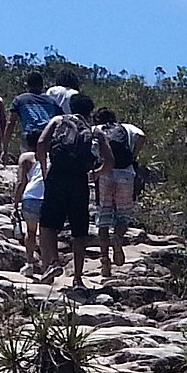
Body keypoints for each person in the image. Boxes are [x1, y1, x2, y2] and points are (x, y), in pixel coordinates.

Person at [35, 106, 99, 288]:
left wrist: (44, 168)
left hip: (57, 176)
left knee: (48, 225)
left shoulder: (57, 120)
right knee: (79, 231)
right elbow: (107, 159)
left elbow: (41, 143)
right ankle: (78, 278)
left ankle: (53, 262)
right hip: (79, 180)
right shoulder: (91, 128)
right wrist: (96, 173)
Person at [93, 109, 145, 272]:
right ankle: (117, 238)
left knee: (104, 215)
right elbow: (142, 136)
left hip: (105, 173)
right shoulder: (126, 127)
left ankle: (105, 261)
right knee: (123, 214)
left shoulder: (97, 129)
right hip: (126, 173)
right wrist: (132, 156)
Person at [12, 142, 49, 275]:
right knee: (45, 234)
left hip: (30, 197)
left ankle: (29, 264)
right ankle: (46, 267)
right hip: (47, 198)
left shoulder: (26, 157)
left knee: (31, 231)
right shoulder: (53, 157)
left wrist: (15, 203)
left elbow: (21, 182)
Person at [12, 74, 57, 153]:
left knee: (28, 160)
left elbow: (11, 123)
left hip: (29, 136)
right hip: (47, 135)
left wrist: (4, 148)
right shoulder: (52, 101)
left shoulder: (20, 100)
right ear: (42, 85)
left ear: (28, 85)